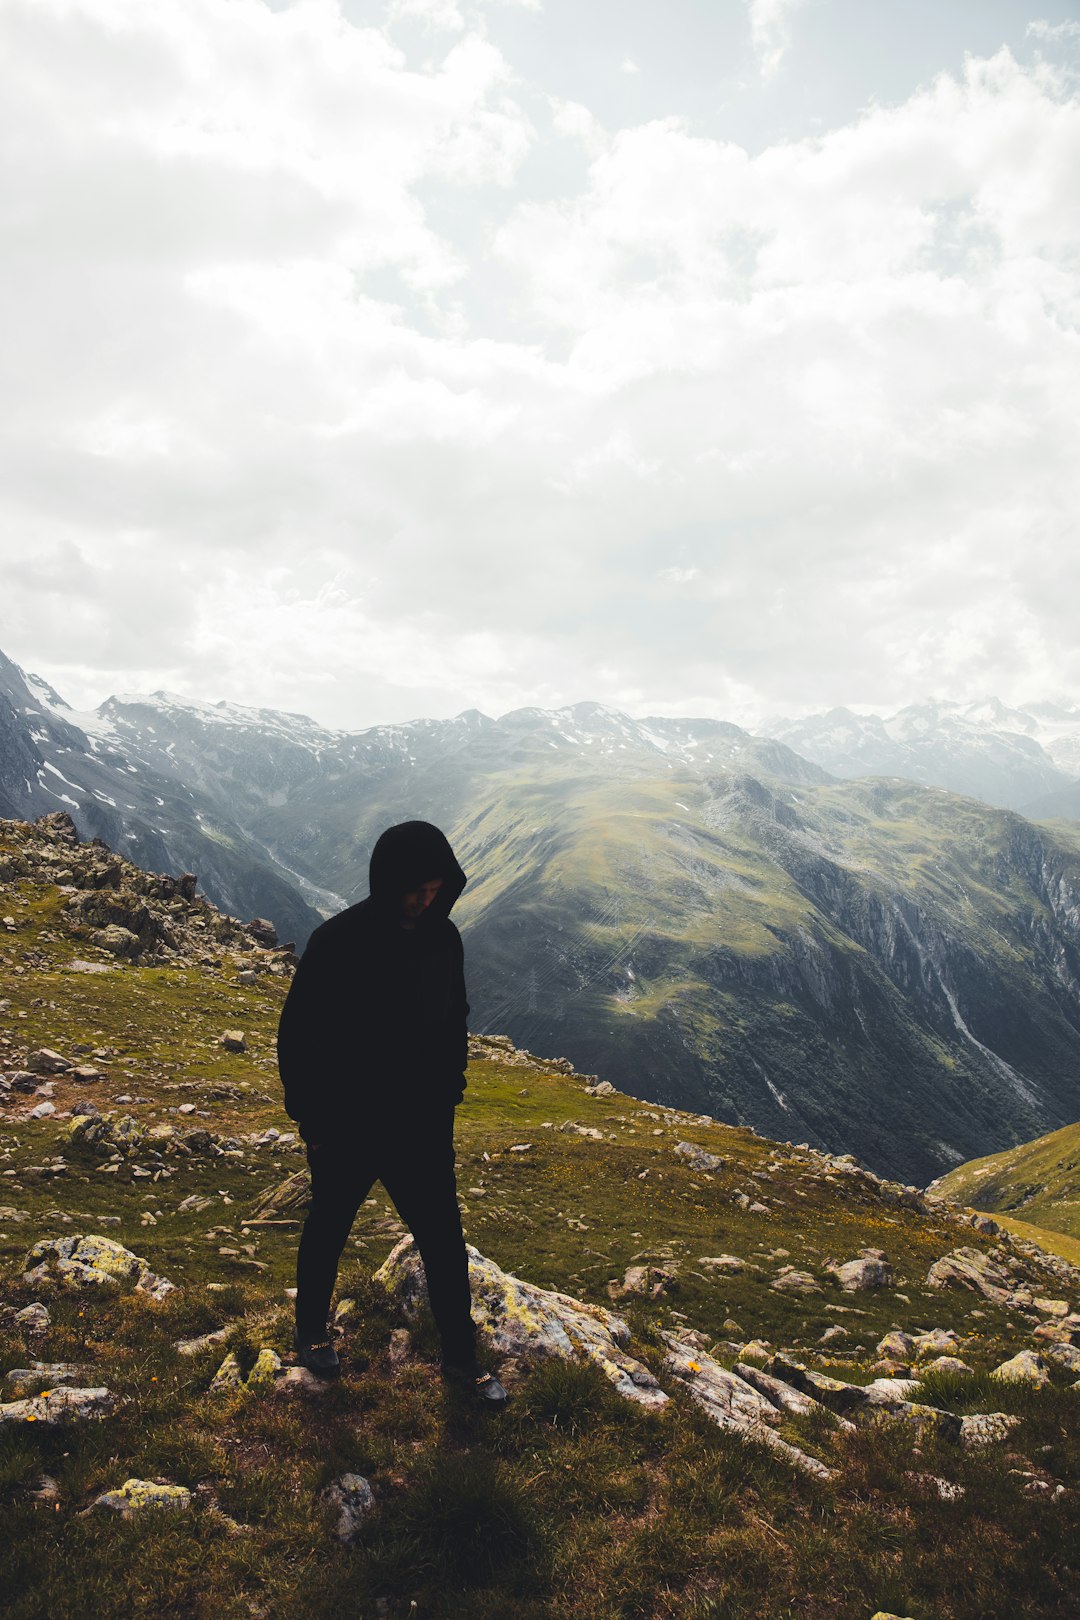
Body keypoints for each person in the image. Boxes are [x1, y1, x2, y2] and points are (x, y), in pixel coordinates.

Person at [276, 819, 506, 1404]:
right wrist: (313, 1122)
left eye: (435, 890)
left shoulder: (443, 939)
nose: (424, 900)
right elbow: (298, 1035)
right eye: (416, 889)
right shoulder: (338, 941)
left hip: (419, 1128)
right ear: (387, 881)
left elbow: (455, 1019)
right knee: (329, 1226)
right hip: (347, 1125)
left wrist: (449, 1093)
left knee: (444, 1242)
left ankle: (461, 1359)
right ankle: (311, 1335)